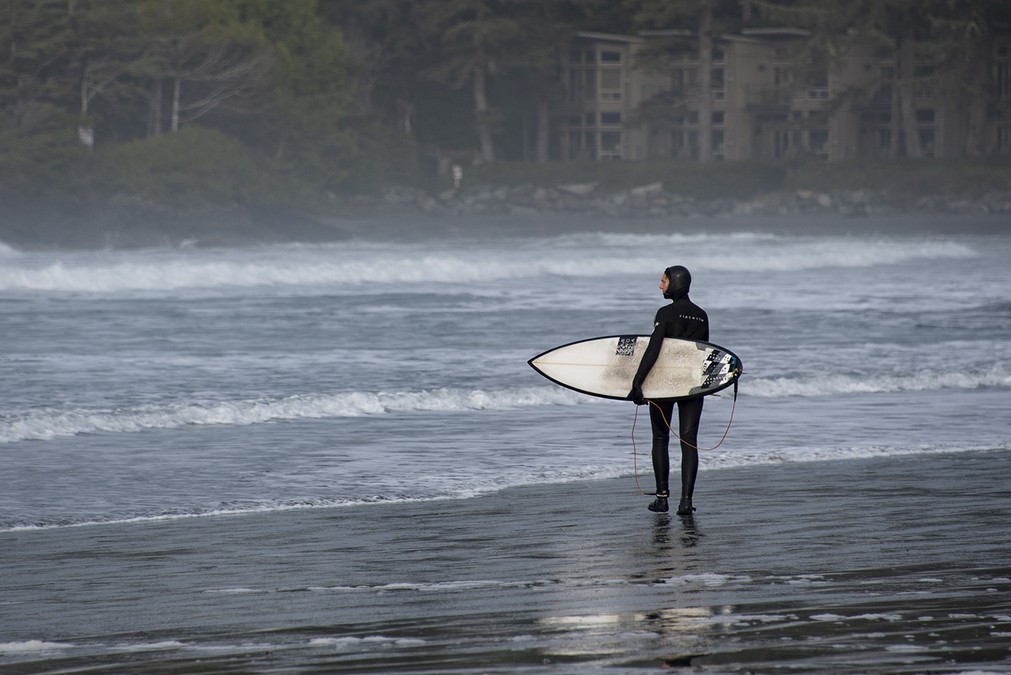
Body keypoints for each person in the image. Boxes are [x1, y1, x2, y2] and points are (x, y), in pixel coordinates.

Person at [628, 265, 708, 515]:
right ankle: (686, 502)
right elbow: (704, 353)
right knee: (689, 443)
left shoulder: (666, 312)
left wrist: (637, 382)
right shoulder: (702, 314)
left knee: (660, 439)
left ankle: (662, 499)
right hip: (693, 385)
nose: (660, 286)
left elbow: (654, 349)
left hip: (665, 384)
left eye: (664, 282)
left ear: (675, 284)